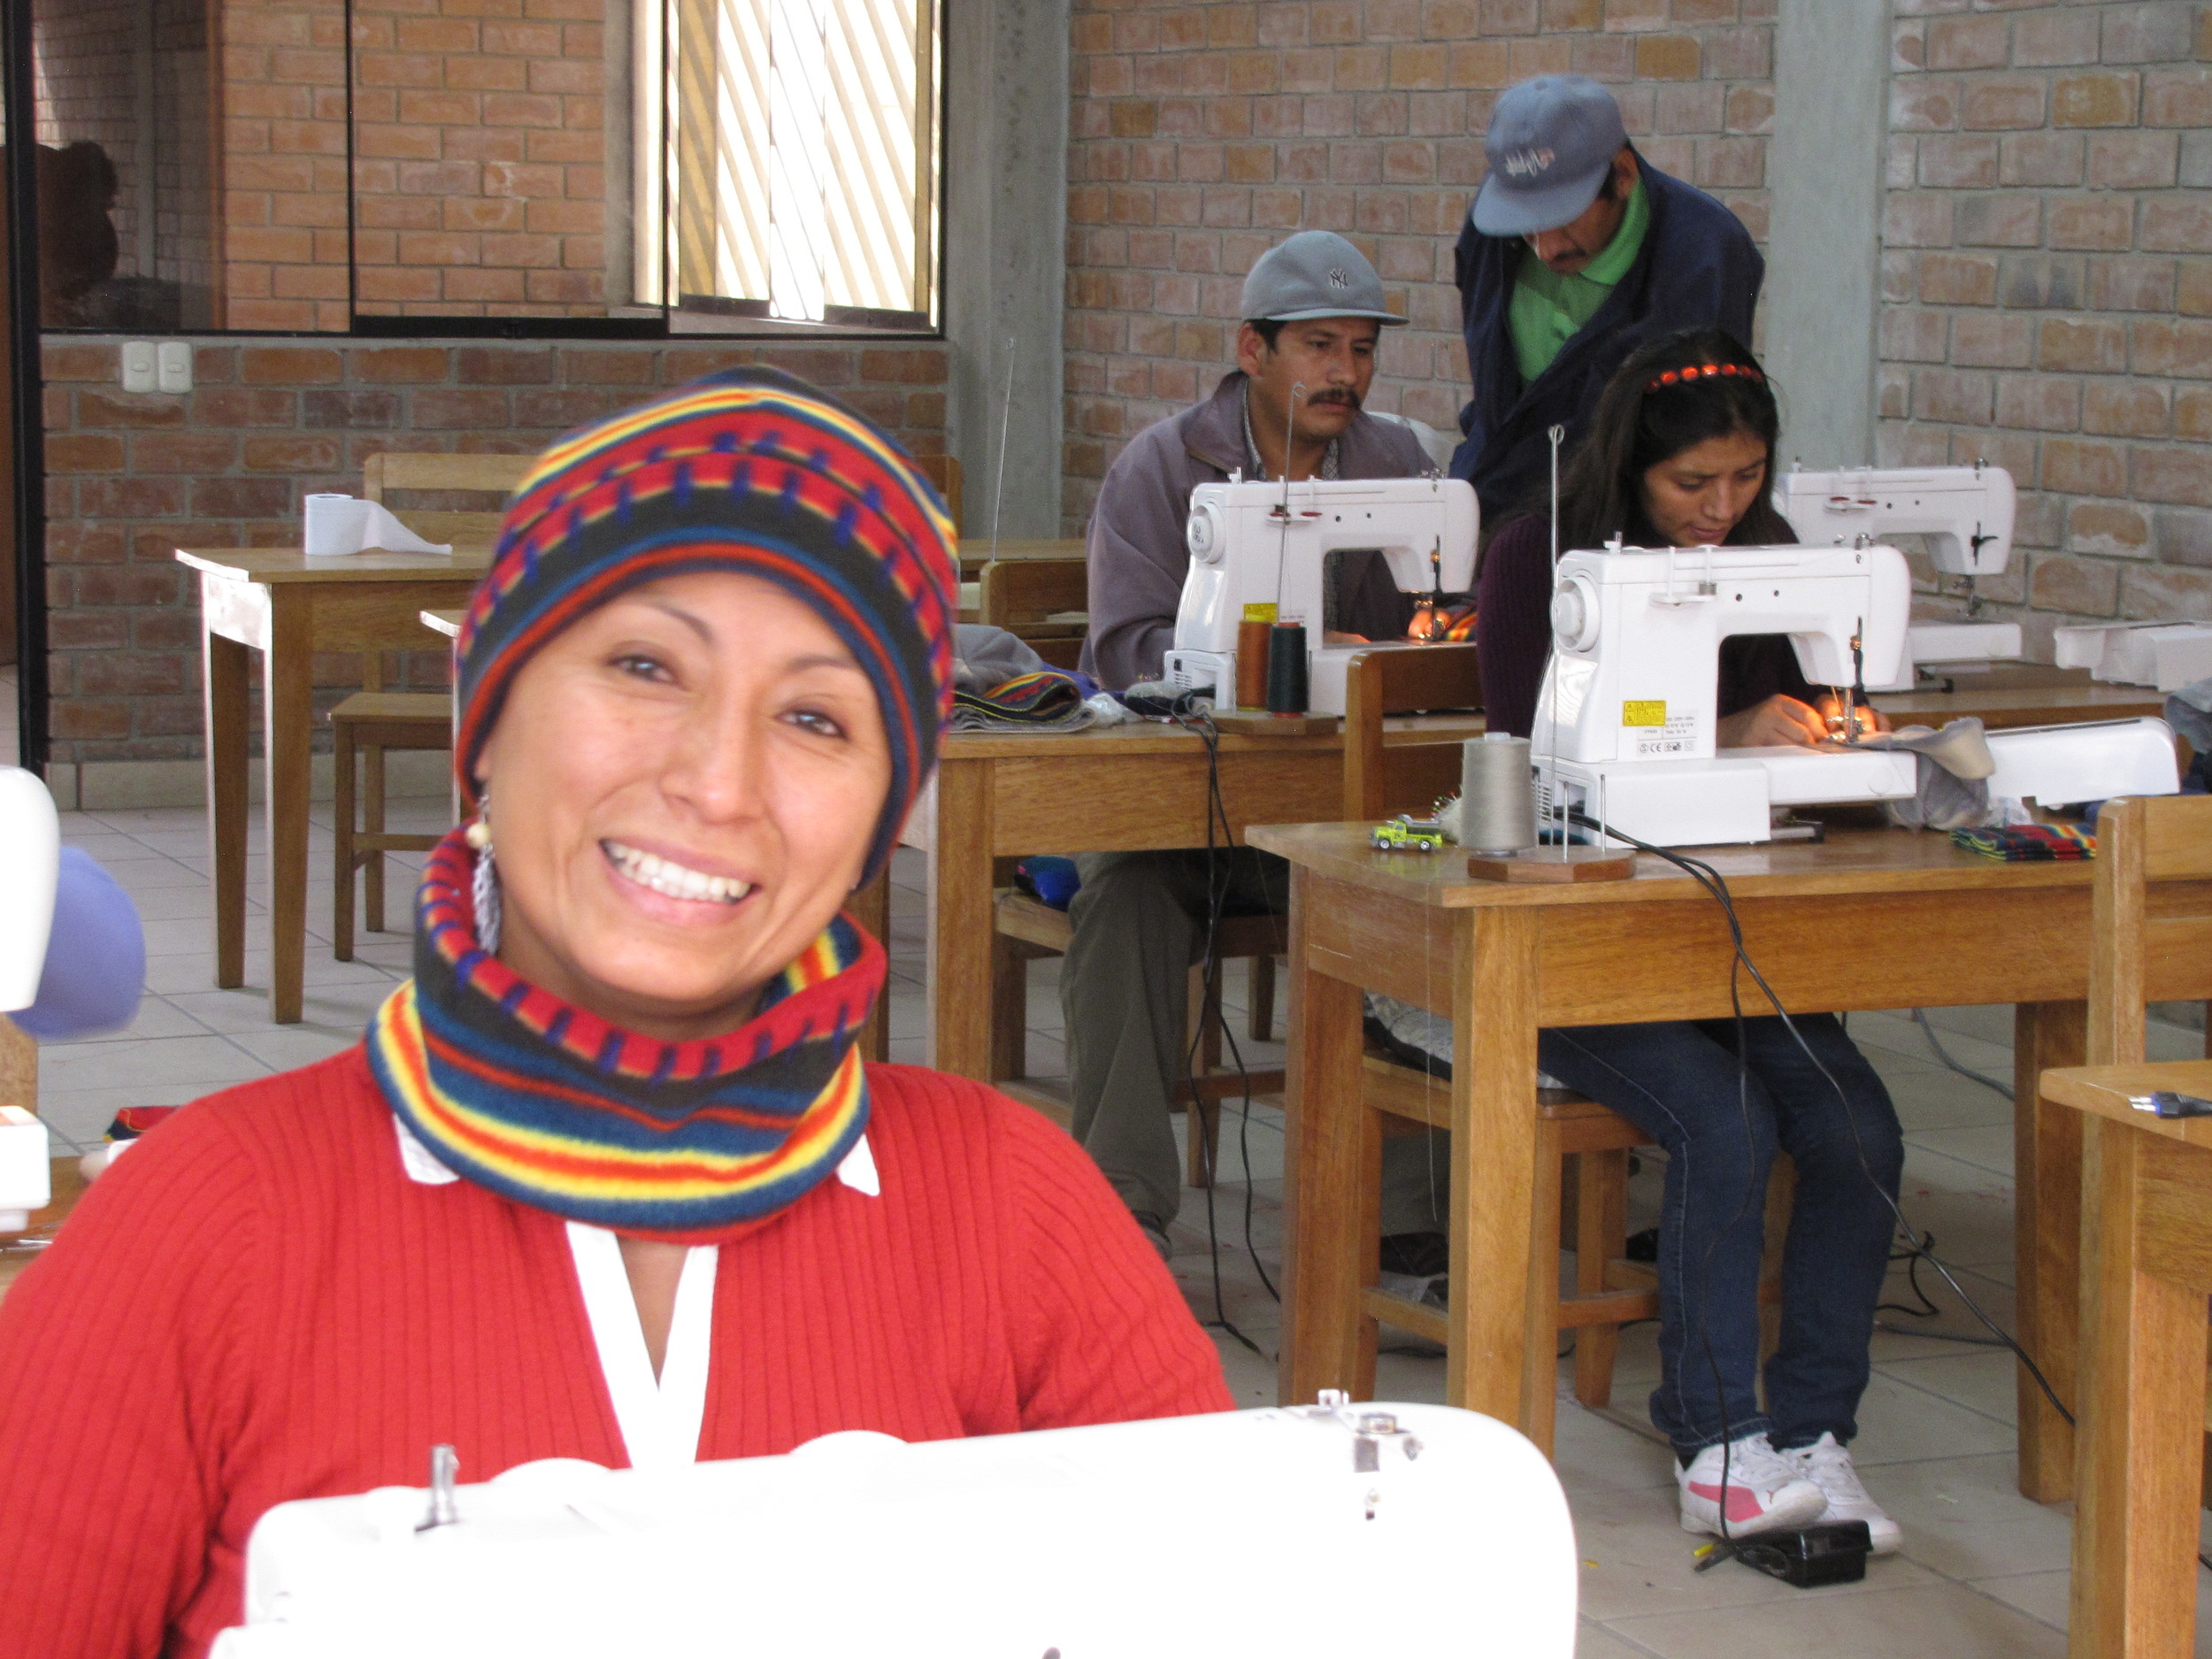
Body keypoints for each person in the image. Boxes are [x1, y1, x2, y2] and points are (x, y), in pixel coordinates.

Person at [0, 370, 1233, 1659]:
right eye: (644, 664)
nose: (716, 778)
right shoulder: (199, 1226)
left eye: (815, 715)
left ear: (880, 817)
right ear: (487, 712)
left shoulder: (1017, 1212)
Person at [1472, 327, 1906, 1551]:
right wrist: (1733, 724)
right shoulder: (1538, 557)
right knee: (1726, 1121)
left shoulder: (1765, 553)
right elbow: (1531, 752)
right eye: (1694, 484)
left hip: (1718, 931)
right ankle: (1717, 1440)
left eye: (1746, 476)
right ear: (1633, 469)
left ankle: (1816, 1430)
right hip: (1571, 942)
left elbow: (1798, 729)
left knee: (1857, 1126)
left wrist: (1819, 734)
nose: (1724, 507)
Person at [1070, 231, 1446, 1264]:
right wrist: (1265, 664)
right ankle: (1119, 1210)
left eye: (1362, 350)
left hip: (1341, 806)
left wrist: (1395, 655)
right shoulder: (1162, 467)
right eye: (1319, 346)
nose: (1346, 373)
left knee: (1421, 909)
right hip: (1189, 805)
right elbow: (1123, 649)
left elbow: (1437, 626)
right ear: (1252, 348)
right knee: (1121, 906)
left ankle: (1410, 1229)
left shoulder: (1398, 464)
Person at [1451, 74, 1763, 523]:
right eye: (1525, 220)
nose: (1546, 247)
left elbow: (1696, 439)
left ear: (1623, 175)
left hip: (1620, 530)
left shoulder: (1705, 254)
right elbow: (1494, 394)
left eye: (1563, 215)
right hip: (1491, 503)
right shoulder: (1492, 230)